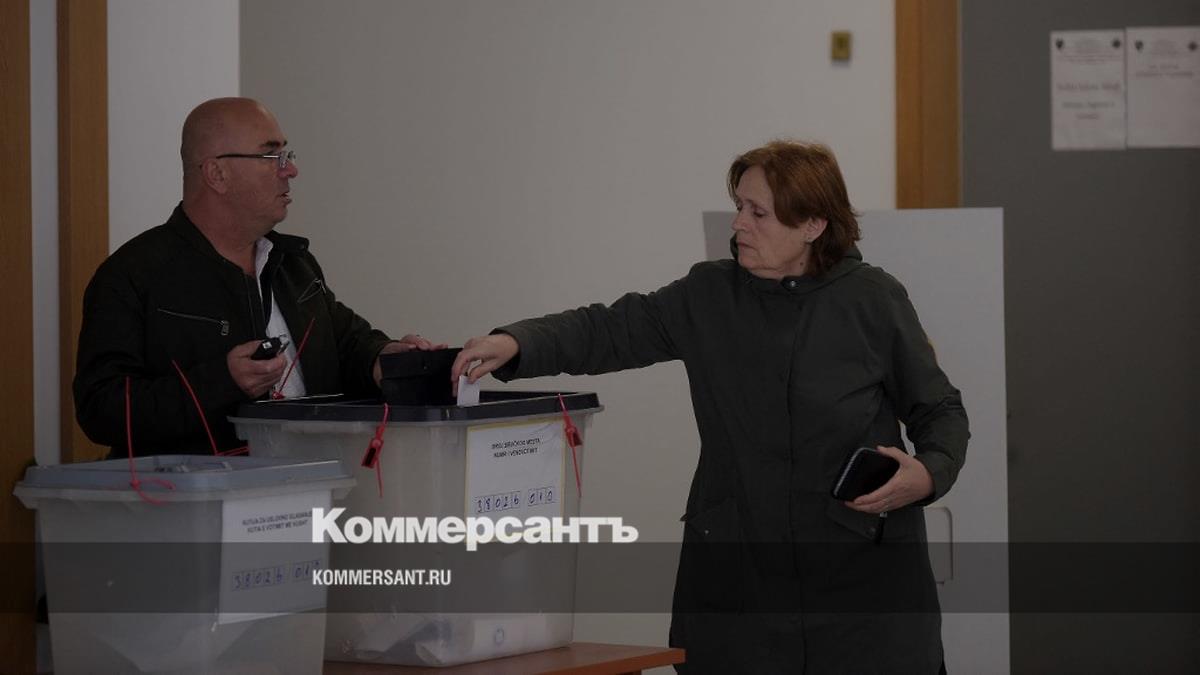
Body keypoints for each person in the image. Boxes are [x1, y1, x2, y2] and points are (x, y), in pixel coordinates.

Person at [451, 141, 968, 673]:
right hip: (740, 591)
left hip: (863, 595)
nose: (739, 223)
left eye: (759, 213)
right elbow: (607, 329)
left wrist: (928, 474)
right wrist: (517, 343)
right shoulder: (708, 294)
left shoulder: (873, 299)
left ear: (813, 224)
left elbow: (941, 410)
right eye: (739, 206)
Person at [75, 97, 440, 457]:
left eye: (287, 154)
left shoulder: (293, 264)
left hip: (311, 484)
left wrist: (384, 359)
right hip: (193, 493)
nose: (290, 170)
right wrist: (222, 382)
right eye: (271, 156)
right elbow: (101, 410)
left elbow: (346, 345)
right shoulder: (134, 274)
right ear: (217, 174)